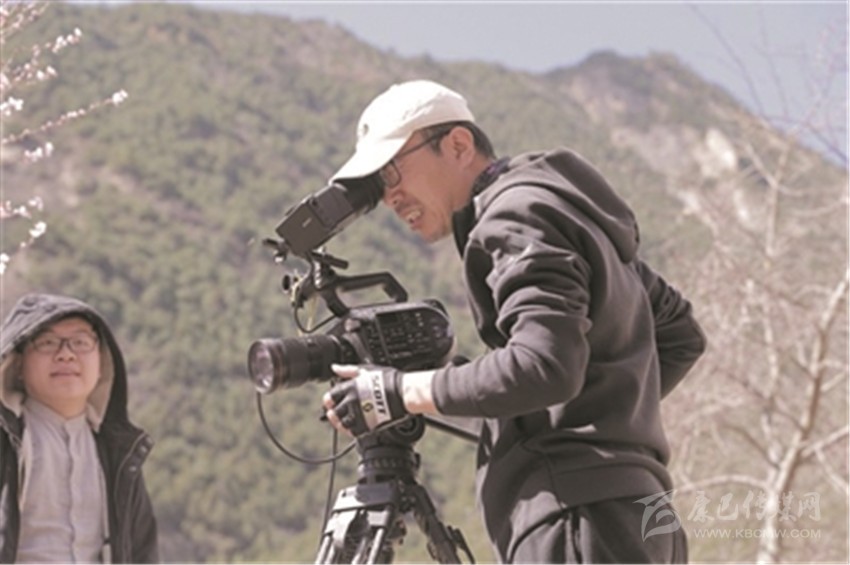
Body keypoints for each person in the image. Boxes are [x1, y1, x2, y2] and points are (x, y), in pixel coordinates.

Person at [320, 79, 707, 563]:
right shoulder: (565, 213)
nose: (390, 196)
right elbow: (678, 334)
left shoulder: (515, 216)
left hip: (576, 522)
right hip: (635, 515)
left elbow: (543, 365)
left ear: (458, 144)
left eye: (393, 170)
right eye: (379, 186)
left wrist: (398, 392)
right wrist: (580, 414)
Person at [0, 293, 159, 563]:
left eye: (81, 342)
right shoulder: (7, 441)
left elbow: (142, 551)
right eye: (47, 343)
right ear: (17, 364)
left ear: (102, 363)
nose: (66, 354)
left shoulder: (118, 453)